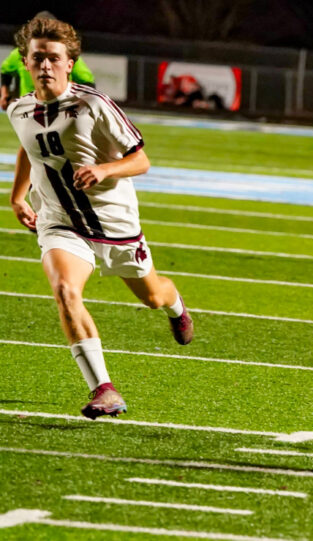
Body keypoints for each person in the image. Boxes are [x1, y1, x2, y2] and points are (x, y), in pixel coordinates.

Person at [6, 15, 194, 420]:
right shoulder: (19, 110)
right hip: (59, 221)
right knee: (65, 291)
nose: (45, 65)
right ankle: (104, 388)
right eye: (37, 57)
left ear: (69, 63)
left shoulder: (93, 104)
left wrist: (104, 170)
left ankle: (175, 306)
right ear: (25, 61)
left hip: (114, 224)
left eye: (53, 58)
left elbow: (141, 160)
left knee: (152, 296)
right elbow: (27, 147)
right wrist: (17, 196)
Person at [0, 11, 95, 111]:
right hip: (28, 110)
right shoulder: (19, 53)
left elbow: (88, 83)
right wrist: (4, 93)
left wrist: (73, 90)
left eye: (53, 59)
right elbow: (6, 71)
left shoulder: (66, 55)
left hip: (59, 109)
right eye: (38, 58)